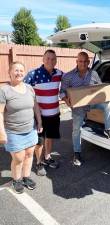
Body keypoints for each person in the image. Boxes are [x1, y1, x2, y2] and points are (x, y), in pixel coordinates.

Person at [60, 51, 110, 167]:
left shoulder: (94, 73)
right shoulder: (68, 76)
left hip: (92, 103)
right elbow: (61, 92)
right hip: (78, 107)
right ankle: (77, 153)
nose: (83, 63)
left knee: (107, 104)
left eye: (86, 61)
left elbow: (100, 87)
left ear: (89, 62)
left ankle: (108, 129)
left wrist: (98, 92)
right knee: (76, 130)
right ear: (76, 61)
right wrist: (66, 100)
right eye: (81, 61)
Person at [0, 62, 42, 194]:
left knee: (29, 155)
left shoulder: (29, 88)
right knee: (18, 158)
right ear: (10, 72)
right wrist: (1, 132)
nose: (19, 73)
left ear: (25, 73)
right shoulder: (4, 90)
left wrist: (39, 122)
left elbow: (35, 107)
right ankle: (16, 179)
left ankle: (26, 177)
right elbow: (0, 113)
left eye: (21, 70)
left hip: (30, 129)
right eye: (16, 70)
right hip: (13, 131)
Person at [24, 50, 63, 176]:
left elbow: (70, 81)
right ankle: (39, 162)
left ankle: (47, 157)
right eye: (48, 58)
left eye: (53, 59)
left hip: (54, 114)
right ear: (43, 59)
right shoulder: (33, 74)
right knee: (39, 141)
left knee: (50, 137)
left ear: (56, 60)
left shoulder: (59, 73)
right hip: (39, 116)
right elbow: (22, 89)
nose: (50, 61)